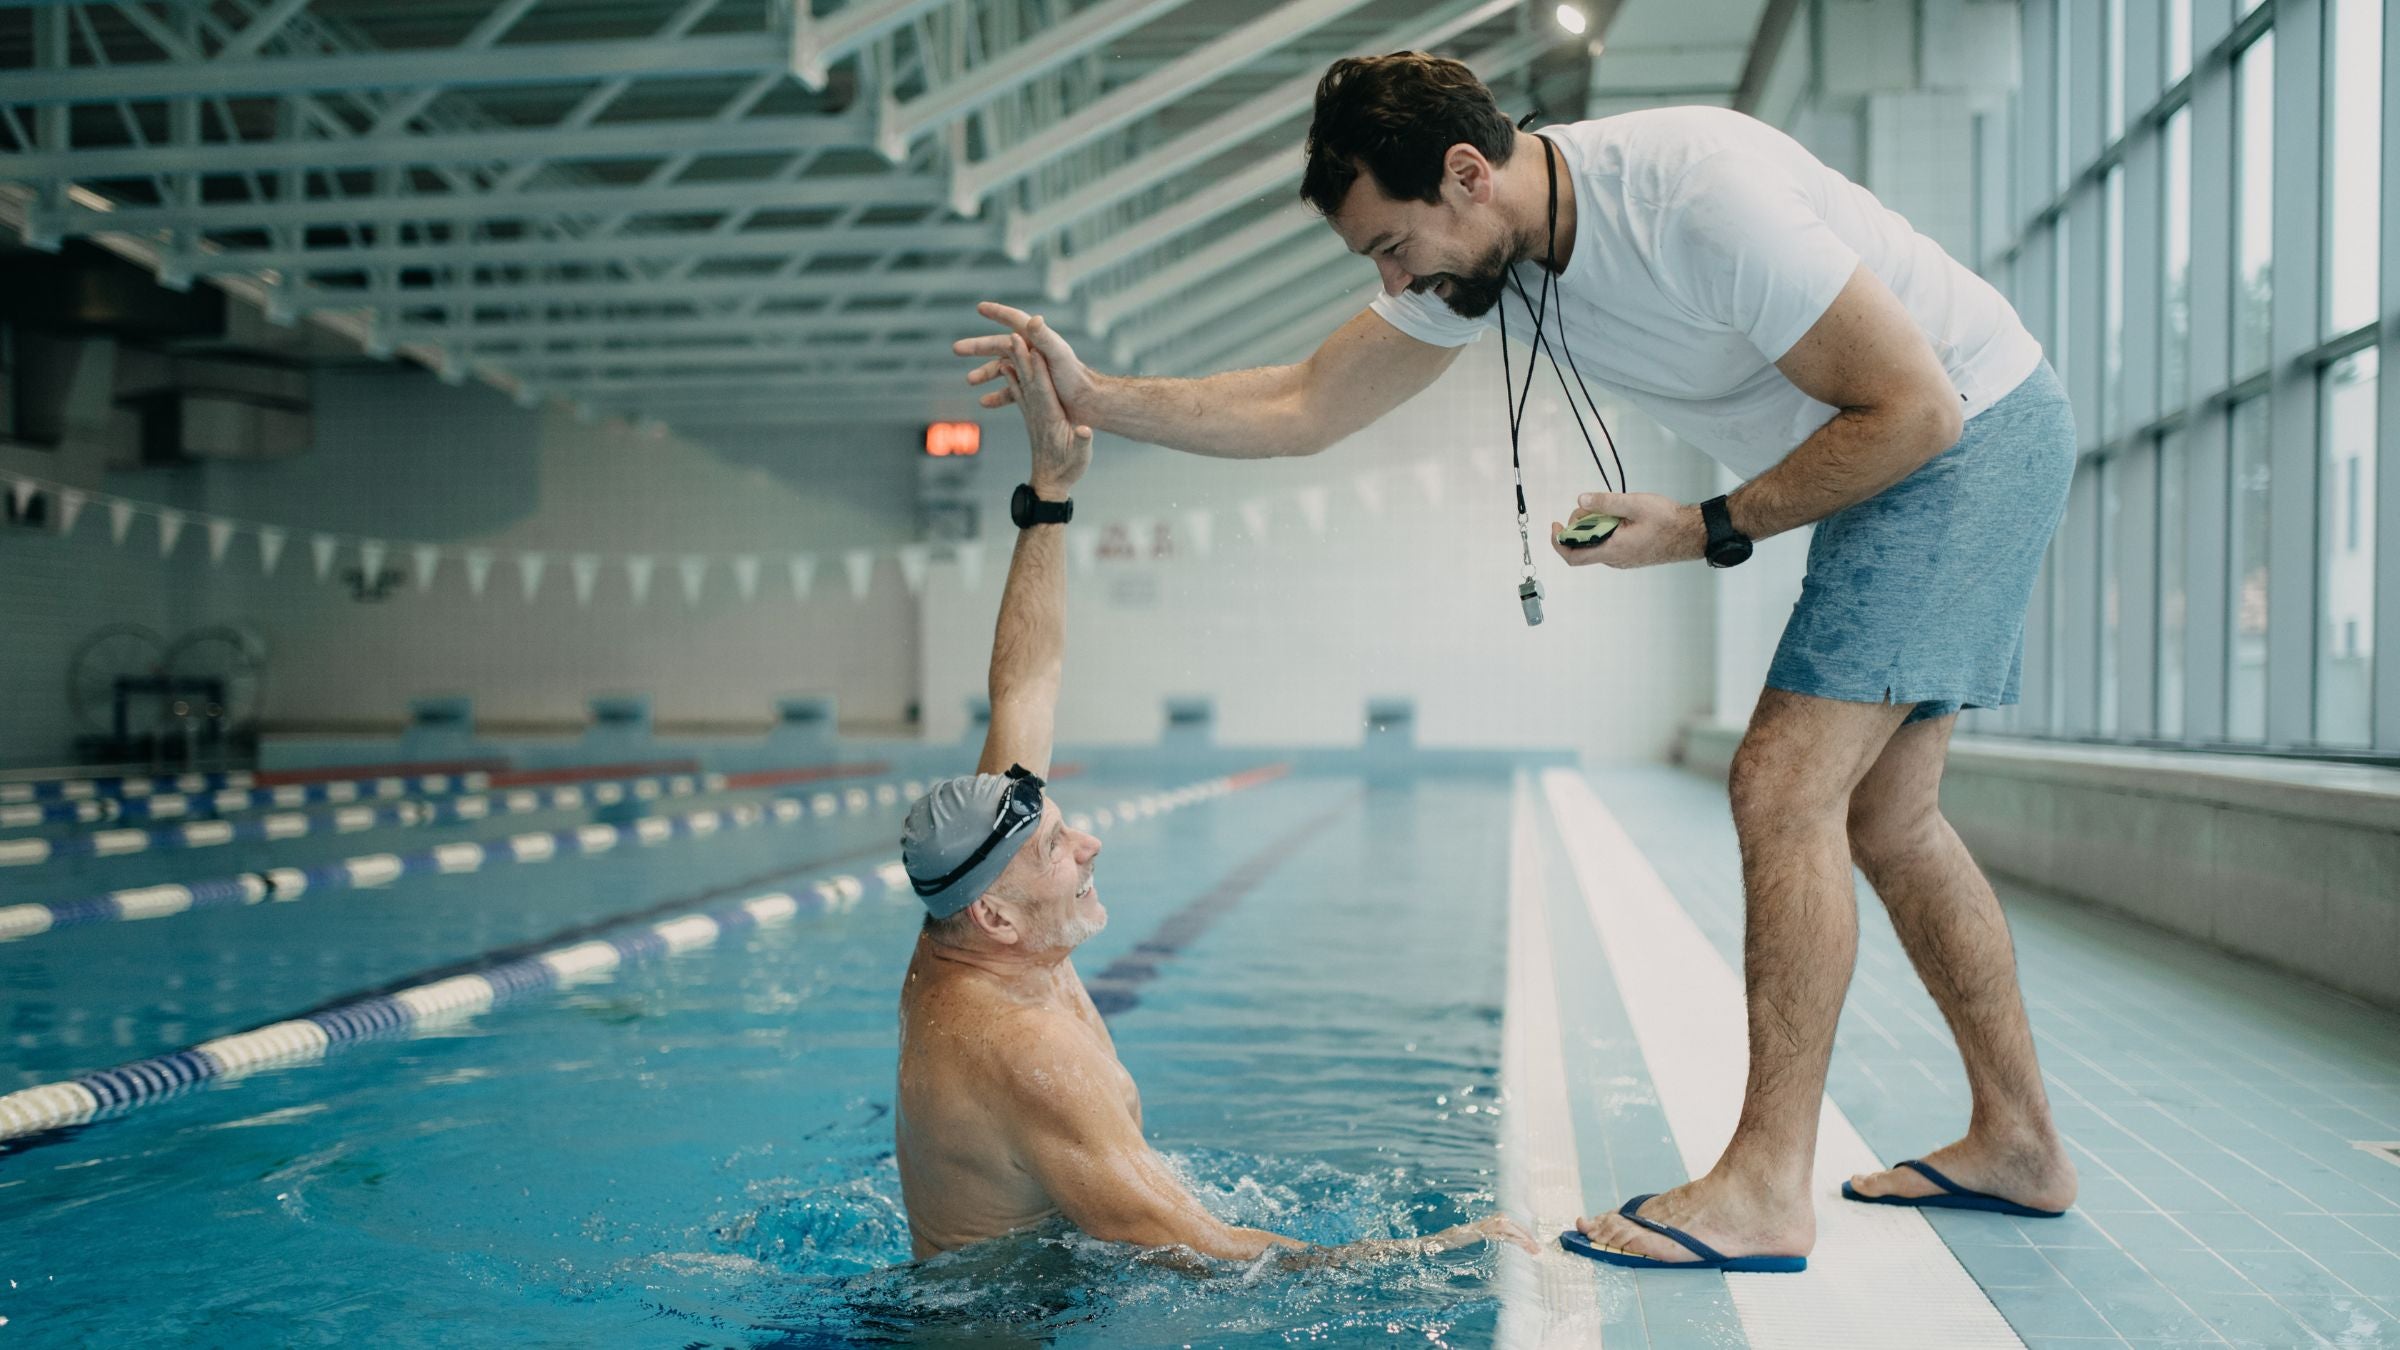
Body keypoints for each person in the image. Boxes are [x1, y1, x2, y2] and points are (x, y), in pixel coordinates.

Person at [952, 54, 2080, 1272]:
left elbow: (1917, 412)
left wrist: (1705, 525)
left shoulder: (1698, 195)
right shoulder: (1491, 254)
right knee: (1892, 819)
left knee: (1781, 785)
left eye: (1394, 247)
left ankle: (1763, 1187)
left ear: (1467, 174)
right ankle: (2019, 1142)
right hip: (1917, 448)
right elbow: (1304, 404)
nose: (1396, 282)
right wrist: (1094, 399)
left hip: (1961, 434)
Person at [893, 330, 1533, 1265]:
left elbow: (1025, 682)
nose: (1092, 845)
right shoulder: (1027, 1058)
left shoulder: (972, 915)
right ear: (993, 914)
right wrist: (1436, 1260)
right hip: (1008, 1326)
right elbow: (1211, 1253)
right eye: (1059, 850)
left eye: (1067, 829)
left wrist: (1053, 493)